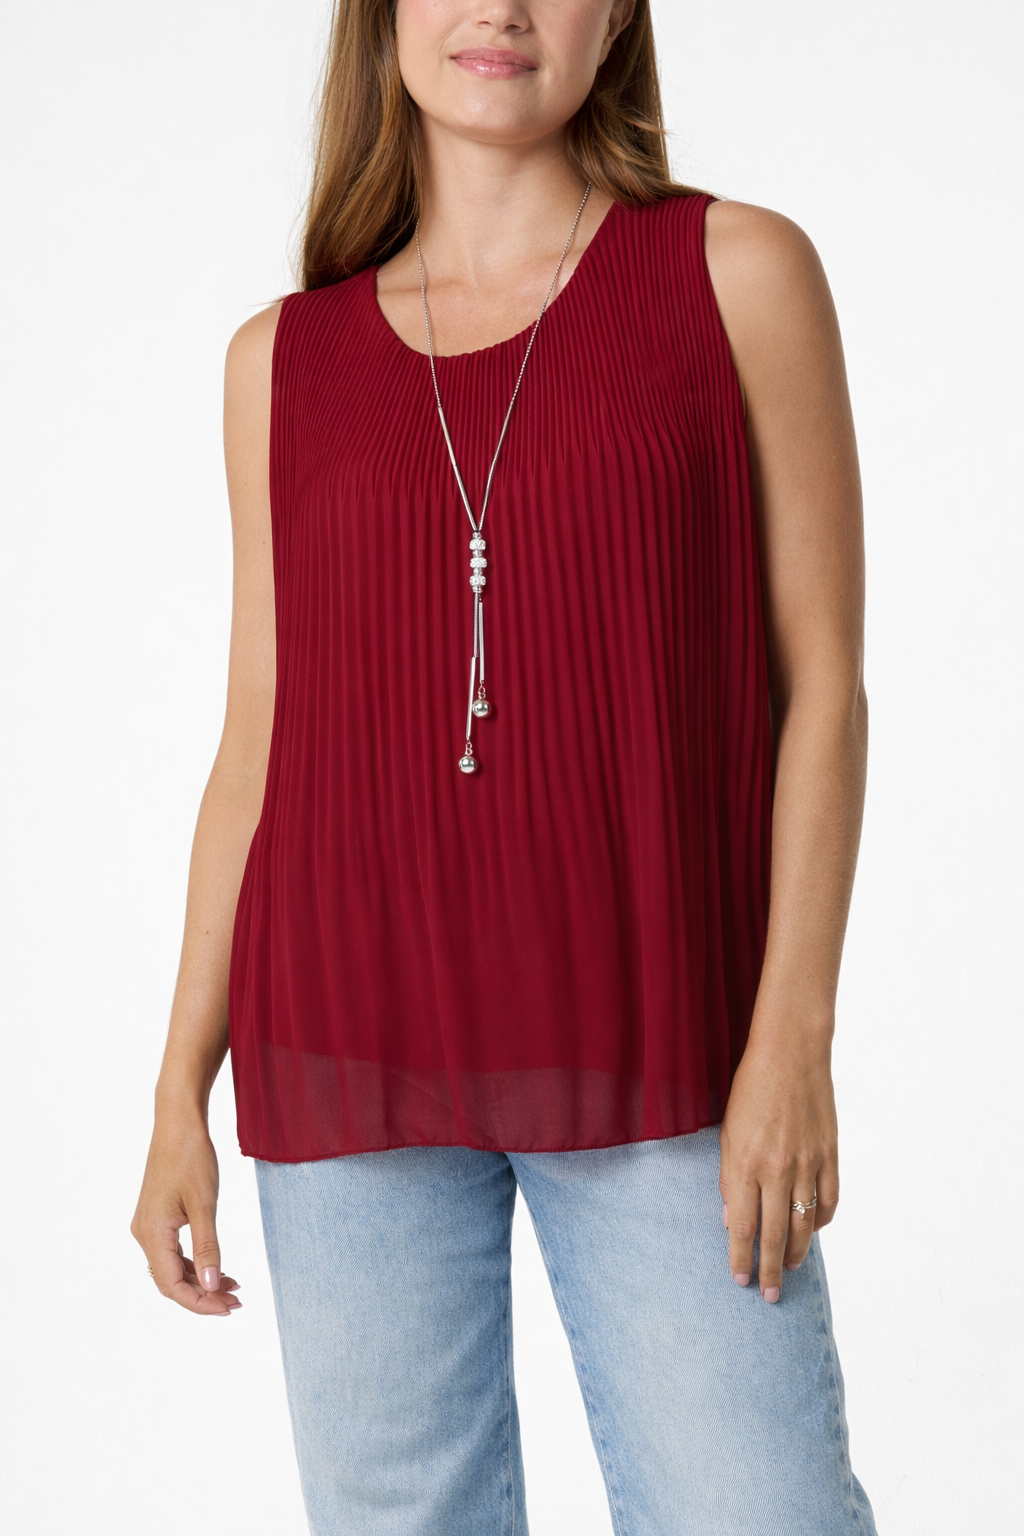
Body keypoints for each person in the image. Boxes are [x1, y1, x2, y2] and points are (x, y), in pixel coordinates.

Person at [132, 2, 876, 1531]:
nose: (502, 9)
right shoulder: (281, 362)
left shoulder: (736, 274)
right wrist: (175, 1089)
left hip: (665, 1039)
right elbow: (259, 735)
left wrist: (792, 1038)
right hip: (344, 1049)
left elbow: (824, 688)